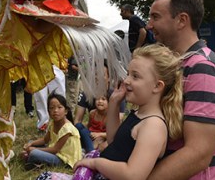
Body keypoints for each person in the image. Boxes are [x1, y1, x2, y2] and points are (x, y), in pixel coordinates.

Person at [36, 44, 183, 180]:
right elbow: (114, 141)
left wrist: (95, 163)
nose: (126, 80)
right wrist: (114, 103)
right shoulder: (140, 114)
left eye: (135, 76)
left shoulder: (153, 126)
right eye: (128, 74)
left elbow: (133, 175)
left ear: (157, 86)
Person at [146, 0, 215, 180]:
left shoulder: (203, 69)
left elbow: (198, 154)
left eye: (156, 17)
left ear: (182, 20)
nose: (149, 25)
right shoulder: (182, 65)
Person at [22, 93, 82, 169]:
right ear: (49, 111)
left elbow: (55, 150)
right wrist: (31, 144)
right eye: (52, 108)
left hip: (65, 161)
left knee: (34, 153)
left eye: (59, 107)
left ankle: (31, 162)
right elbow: (45, 140)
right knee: (30, 143)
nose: (55, 111)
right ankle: (33, 159)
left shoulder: (67, 128)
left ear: (66, 111)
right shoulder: (53, 123)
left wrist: (34, 149)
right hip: (56, 153)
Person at [34, 64, 67, 131]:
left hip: (54, 61)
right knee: (40, 95)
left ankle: (61, 121)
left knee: (59, 94)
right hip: (37, 63)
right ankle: (43, 123)